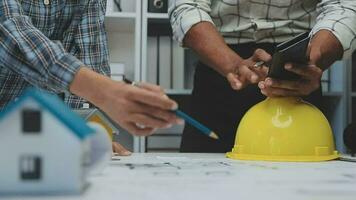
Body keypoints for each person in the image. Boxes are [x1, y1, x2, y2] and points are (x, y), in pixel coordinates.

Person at [169, 0, 356, 152]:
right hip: (218, 65)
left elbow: (343, 6)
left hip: (300, 63)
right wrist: (232, 65)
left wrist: (314, 60)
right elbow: (186, 6)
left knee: (300, 187)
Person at [0, 0, 183, 155]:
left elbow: (91, 58)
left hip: (37, 134)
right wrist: (106, 91)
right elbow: (11, 34)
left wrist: (84, 135)